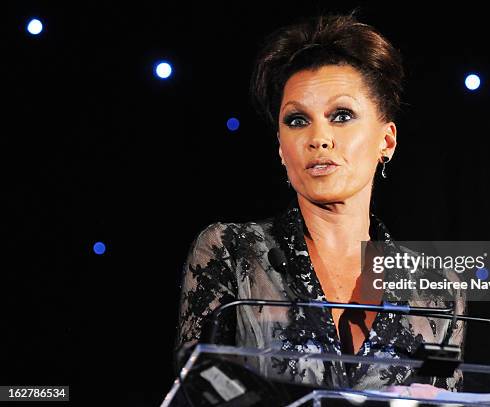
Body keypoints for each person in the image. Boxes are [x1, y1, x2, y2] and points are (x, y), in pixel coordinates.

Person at [175, 11, 466, 394]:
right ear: (281, 148)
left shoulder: (438, 285)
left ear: (387, 141)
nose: (319, 138)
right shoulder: (231, 251)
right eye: (297, 120)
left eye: (341, 116)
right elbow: (199, 394)